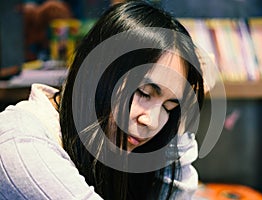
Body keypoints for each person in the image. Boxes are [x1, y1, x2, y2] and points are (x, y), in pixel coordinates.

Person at [0, 1, 204, 200]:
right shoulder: (21, 141)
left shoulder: (109, 146)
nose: (151, 122)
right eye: (144, 93)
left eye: (169, 107)